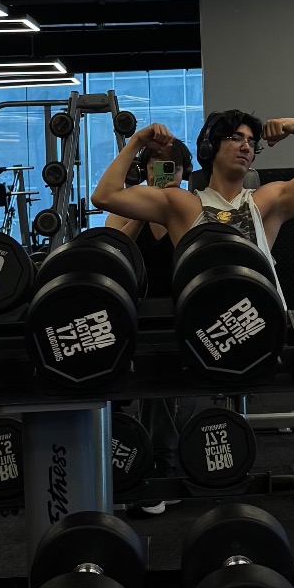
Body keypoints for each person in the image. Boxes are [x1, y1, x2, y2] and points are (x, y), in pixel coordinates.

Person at [92, 109, 294, 505]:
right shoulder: (182, 203)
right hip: (203, 326)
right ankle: (162, 464)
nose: (245, 146)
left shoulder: (268, 200)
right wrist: (136, 143)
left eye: (250, 141)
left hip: (263, 321)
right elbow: (104, 196)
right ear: (210, 147)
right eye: (235, 138)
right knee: (157, 335)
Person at [104, 136, 194, 515]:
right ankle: (120, 460)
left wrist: (169, 207)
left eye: (171, 165)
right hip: (132, 311)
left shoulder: (191, 208)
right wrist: (143, 211)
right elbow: (111, 250)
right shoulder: (127, 204)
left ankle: (163, 461)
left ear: (184, 172)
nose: (164, 171)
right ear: (145, 170)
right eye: (156, 163)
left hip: (178, 314)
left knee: (163, 366)